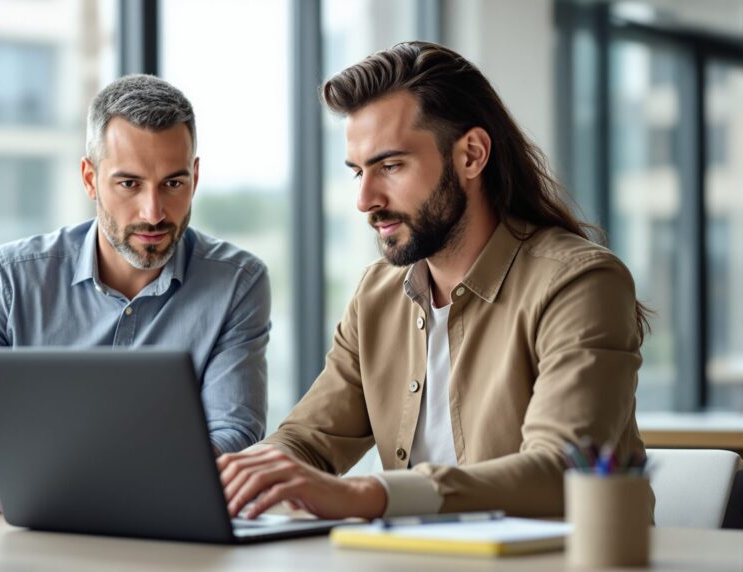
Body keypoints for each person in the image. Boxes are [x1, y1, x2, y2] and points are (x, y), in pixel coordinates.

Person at [218, 41, 652, 520]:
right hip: (412, 554)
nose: (365, 200)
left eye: (390, 166)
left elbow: (561, 472)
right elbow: (307, 439)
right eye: (359, 172)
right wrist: (234, 477)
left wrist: (368, 495)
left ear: (471, 155)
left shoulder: (580, 283)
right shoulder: (377, 294)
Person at [0, 75, 271, 511]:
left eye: (173, 183)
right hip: (32, 532)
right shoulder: (15, 279)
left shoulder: (237, 283)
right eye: (129, 184)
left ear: (196, 177)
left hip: (167, 532)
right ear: (90, 179)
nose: (153, 212)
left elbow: (233, 436)